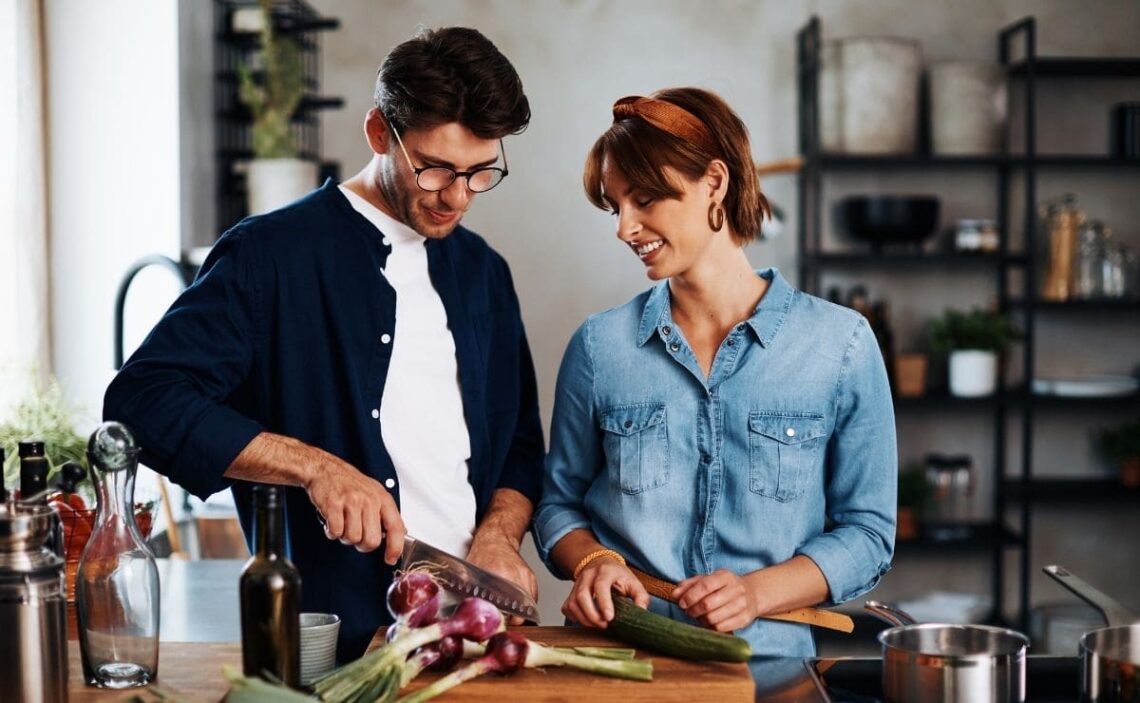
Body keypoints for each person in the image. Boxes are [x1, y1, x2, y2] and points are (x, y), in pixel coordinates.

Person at [104, 27, 544, 660]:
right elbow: (142, 401)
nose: (457, 196)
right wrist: (316, 468)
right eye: (436, 168)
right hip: (334, 648)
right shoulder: (269, 256)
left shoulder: (484, 273)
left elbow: (520, 447)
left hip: (475, 637)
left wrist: (500, 536)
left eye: (480, 173)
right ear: (378, 133)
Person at [533, 88, 896, 657]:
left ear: (715, 183)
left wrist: (755, 593)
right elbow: (557, 505)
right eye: (615, 205)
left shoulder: (841, 344)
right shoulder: (600, 348)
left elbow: (869, 535)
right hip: (620, 661)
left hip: (769, 673)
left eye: (646, 199)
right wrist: (595, 562)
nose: (625, 228)